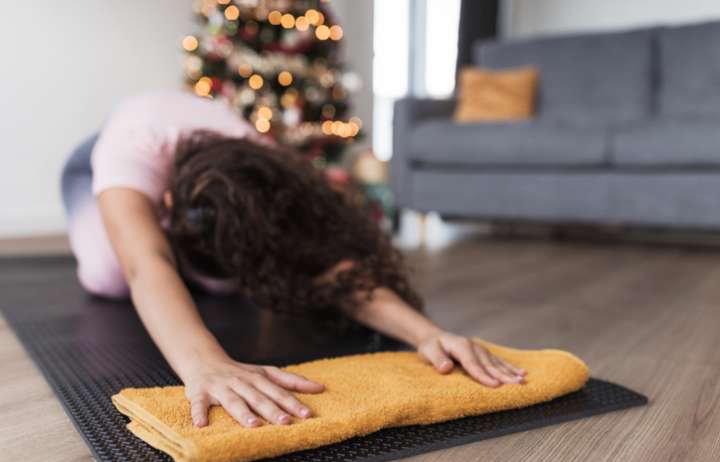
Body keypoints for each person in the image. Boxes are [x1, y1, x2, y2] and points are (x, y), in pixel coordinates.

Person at [60, 90, 526, 429]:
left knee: (236, 272)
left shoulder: (264, 174)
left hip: (214, 170)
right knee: (110, 273)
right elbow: (148, 265)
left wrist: (429, 333)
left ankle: (210, 265)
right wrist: (204, 362)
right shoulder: (131, 154)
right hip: (98, 156)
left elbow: (331, 268)